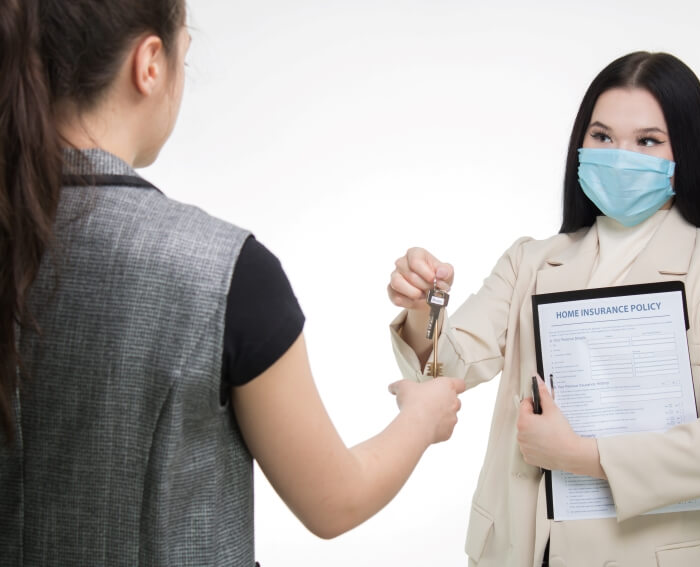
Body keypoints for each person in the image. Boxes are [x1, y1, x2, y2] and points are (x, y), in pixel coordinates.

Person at [0, 1, 465, 565]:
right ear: (149, 64)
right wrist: (420, 418)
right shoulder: (226, 272)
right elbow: (333, 500)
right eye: (183, 57)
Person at [387, 51, 700, 566]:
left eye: (648, 141)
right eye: (602, 136)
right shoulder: (529, 261)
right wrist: (425, 306)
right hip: (519, 551)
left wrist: (582, 457)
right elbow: (444, 370)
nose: (620, 156)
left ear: (687, 154)